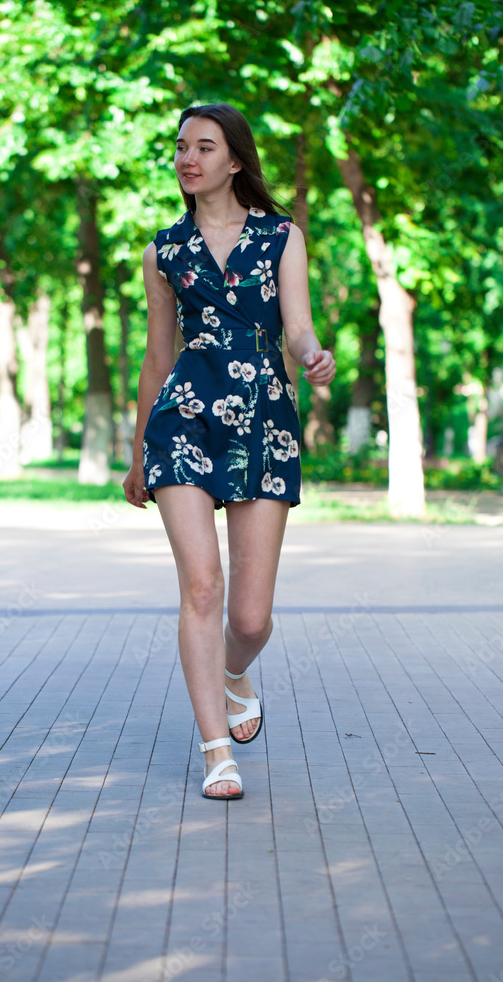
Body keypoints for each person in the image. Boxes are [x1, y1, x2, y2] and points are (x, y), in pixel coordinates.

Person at [123, 103, 335, 800]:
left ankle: (233, 670)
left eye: (203, 147)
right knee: (202, 589)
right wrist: (135, 455)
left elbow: (296, 327)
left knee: (247, 617)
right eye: (180, 147)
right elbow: (158, 359)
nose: (187, 158)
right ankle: (217, 752)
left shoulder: (281, 237)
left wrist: (311, 356)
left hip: (262, 419)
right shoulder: (164, 252)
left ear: (234, 160)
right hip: (182, 420)